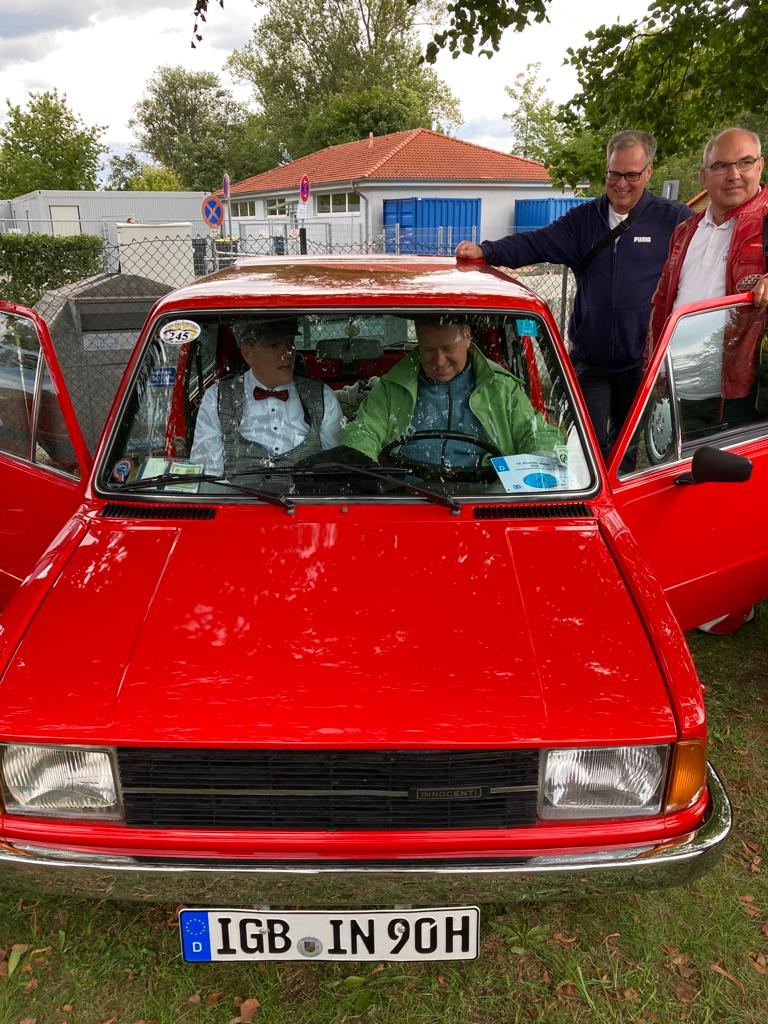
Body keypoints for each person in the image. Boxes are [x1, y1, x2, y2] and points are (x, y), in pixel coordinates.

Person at [456, 129, 694, 462]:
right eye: (613, 174)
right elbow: (536, 243)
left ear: (649, 172)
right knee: (587, 449)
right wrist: (487, 250)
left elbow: (711, 259)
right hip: (591, 362)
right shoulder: (583, 221)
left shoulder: (675, 221)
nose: (621, 184)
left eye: (631, 175)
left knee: (624, 452)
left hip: (642, 363)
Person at [648, 127, 768, 635]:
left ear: (760, 166)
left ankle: (730, 600)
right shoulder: (687, 229)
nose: (733, 174)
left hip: (736, 386)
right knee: (678, 485)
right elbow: (664, 299)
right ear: (704, 174)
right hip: (677, 378)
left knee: (732, 494)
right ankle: (687, 581)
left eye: (744, 163)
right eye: (721, 165)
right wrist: (653, 367)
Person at [338, 317, 561, 467]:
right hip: (407, 495)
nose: (439, 361)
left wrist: (541, 464)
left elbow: (535, 433)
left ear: (467, 338)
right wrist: (361, 471)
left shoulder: (501, 389)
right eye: (429, 350)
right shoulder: (391, 388)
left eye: (448, 349)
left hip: (487, 493)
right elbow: (363, 432)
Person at [190, 317, 344, 475]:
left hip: (306, 492)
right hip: (233, 492)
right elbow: (207, 473)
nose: (288, 352)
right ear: (248, 354)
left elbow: (336, 469)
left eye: (290, 342)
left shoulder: (323, 397)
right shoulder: (217, 398)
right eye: (274, 344)